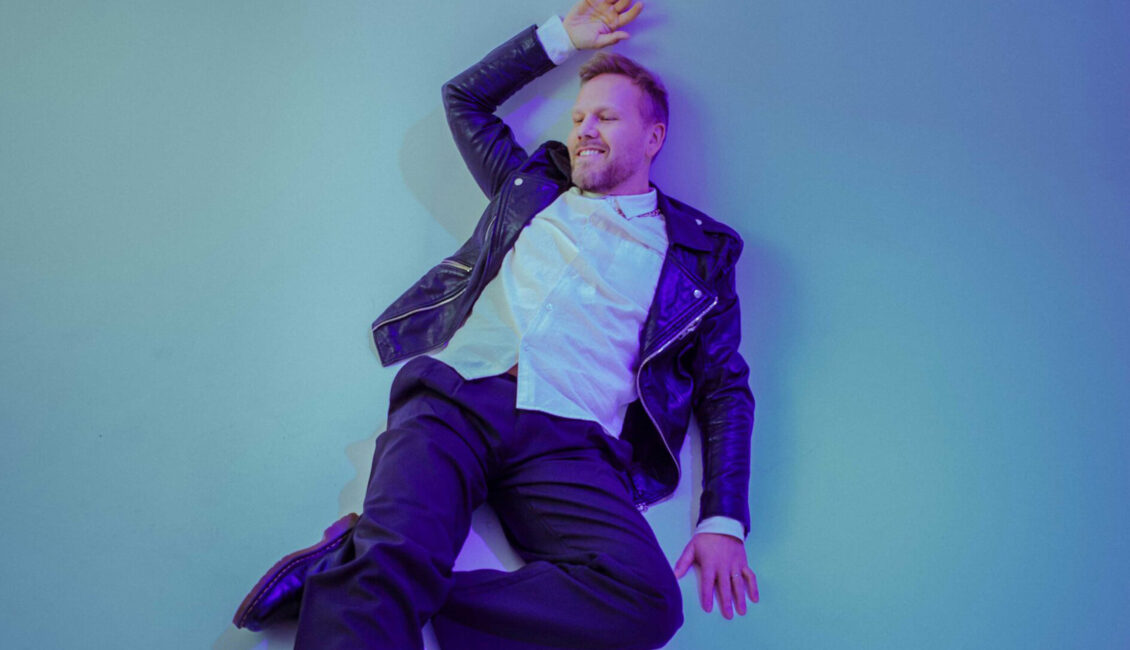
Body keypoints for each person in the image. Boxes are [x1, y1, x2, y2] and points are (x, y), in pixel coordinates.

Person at [233, 1, 758, 648]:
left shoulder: (699, 256)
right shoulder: (532, 189)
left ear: (653, 138)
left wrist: (722, 519)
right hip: (463, 396)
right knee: (396, 559)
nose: (585, 130)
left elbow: (724, 387)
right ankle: (380, 569)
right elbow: (464, 100)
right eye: (578, 118)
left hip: (573, 443)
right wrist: (561, 37)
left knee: (647, 602)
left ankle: (363, 570)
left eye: (607, 117)